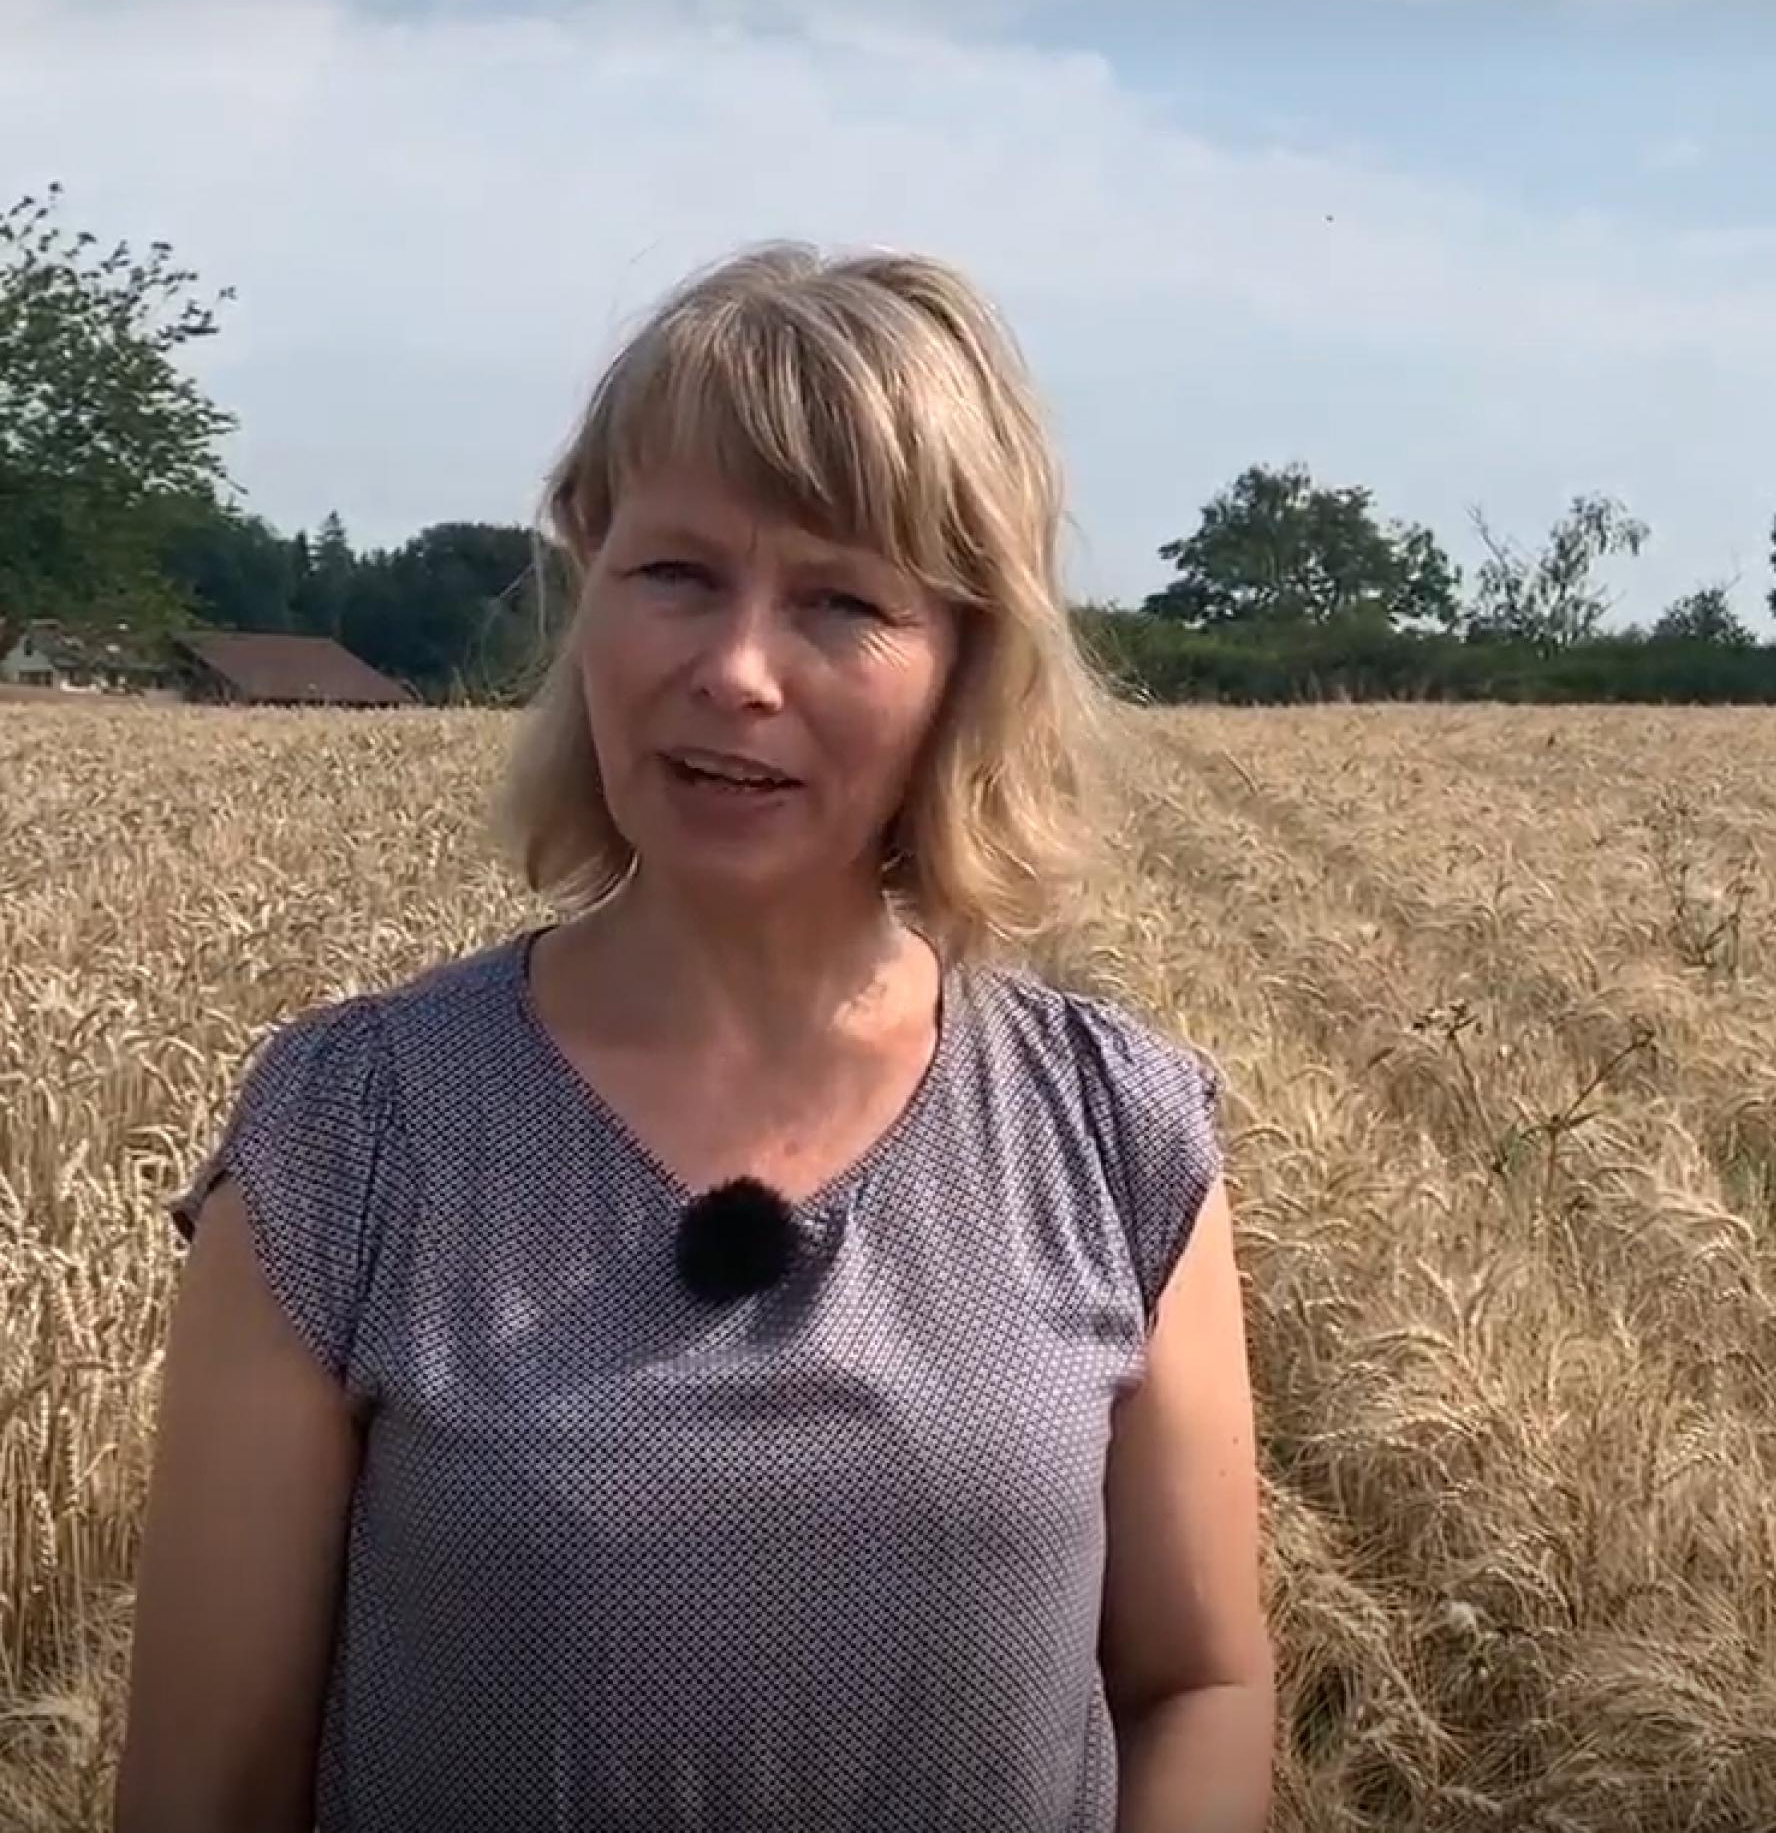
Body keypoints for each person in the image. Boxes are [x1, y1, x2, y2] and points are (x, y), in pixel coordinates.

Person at [115, 244, 1275, 1832]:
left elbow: (1196, 1680)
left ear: (963, 665)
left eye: (841, 602)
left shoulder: (1114, 1134)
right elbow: (208, 1785)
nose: (734, 671)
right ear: (588, 589)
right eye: (675, 575)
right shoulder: (351, 1140)